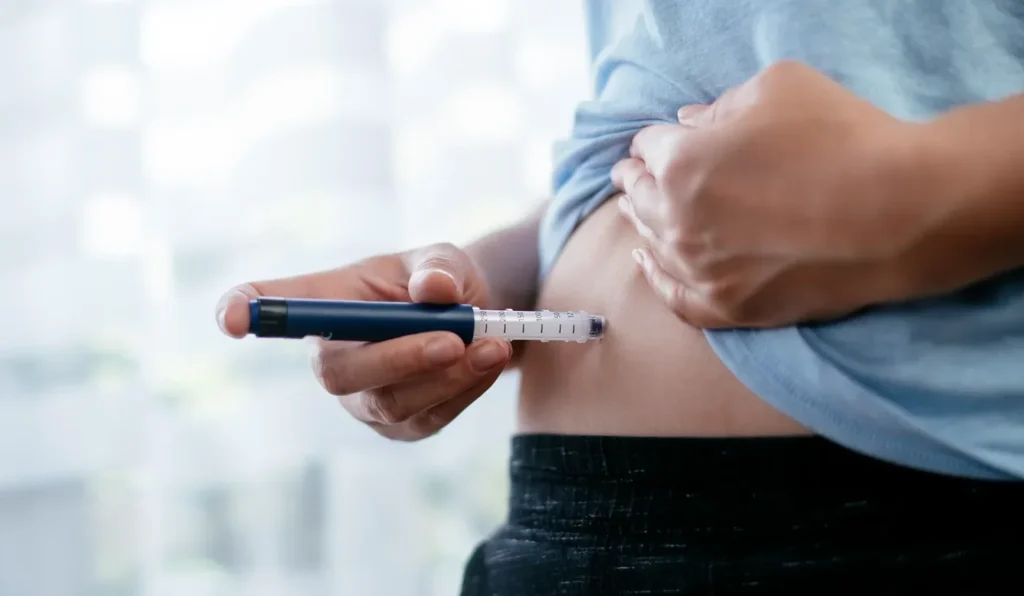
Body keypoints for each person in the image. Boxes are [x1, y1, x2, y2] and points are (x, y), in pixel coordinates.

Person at [216, 1, 1024, 593]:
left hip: (929, 508)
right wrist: (492, 275)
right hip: (569, 523)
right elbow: (654, 129)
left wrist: (918, 198)